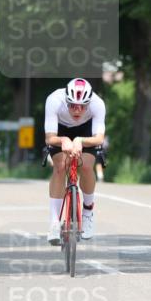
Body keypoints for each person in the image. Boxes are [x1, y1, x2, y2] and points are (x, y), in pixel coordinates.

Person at [44, 77, 106, 244]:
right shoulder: (54, 100)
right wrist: (63, 140)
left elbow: (99, 138)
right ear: (66, 100)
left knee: (86, 166)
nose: (77, 110)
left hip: (86, 131)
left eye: (82, 106)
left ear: (89, 102)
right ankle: (54, 223)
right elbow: (49, 138)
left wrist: (81, 141)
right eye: (72, 105)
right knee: (60, 166)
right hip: (60, 130)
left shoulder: (97, 104)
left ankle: (87, 212)